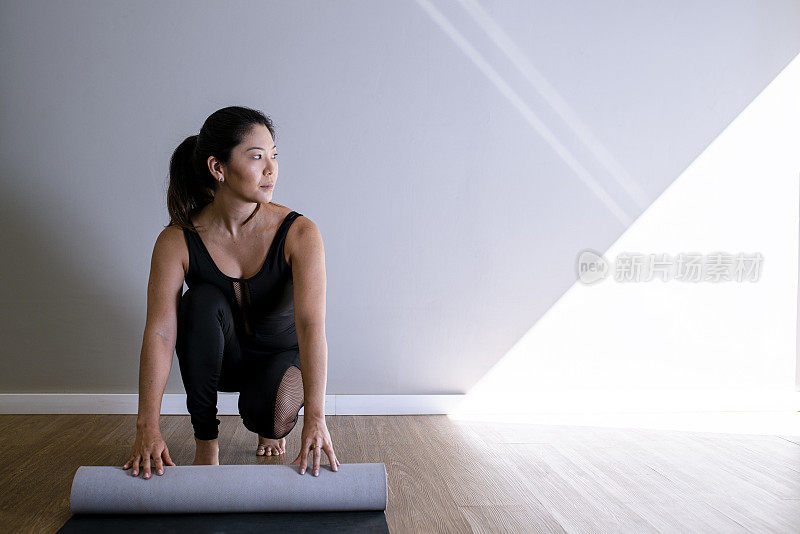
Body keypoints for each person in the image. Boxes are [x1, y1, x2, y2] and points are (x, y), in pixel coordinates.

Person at [123, 106, 338, 480]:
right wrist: (147, 426)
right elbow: (160, 333)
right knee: (200, 302)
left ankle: (269, 426)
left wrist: (315, 419)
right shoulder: (177, 240)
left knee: (269, 415)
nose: (271, 169)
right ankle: (207, 444)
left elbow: (310, 325)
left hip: (281, 359)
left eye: (274, 155)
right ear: (217, 167)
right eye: (256, 156)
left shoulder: (301, 233)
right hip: (220, 360)